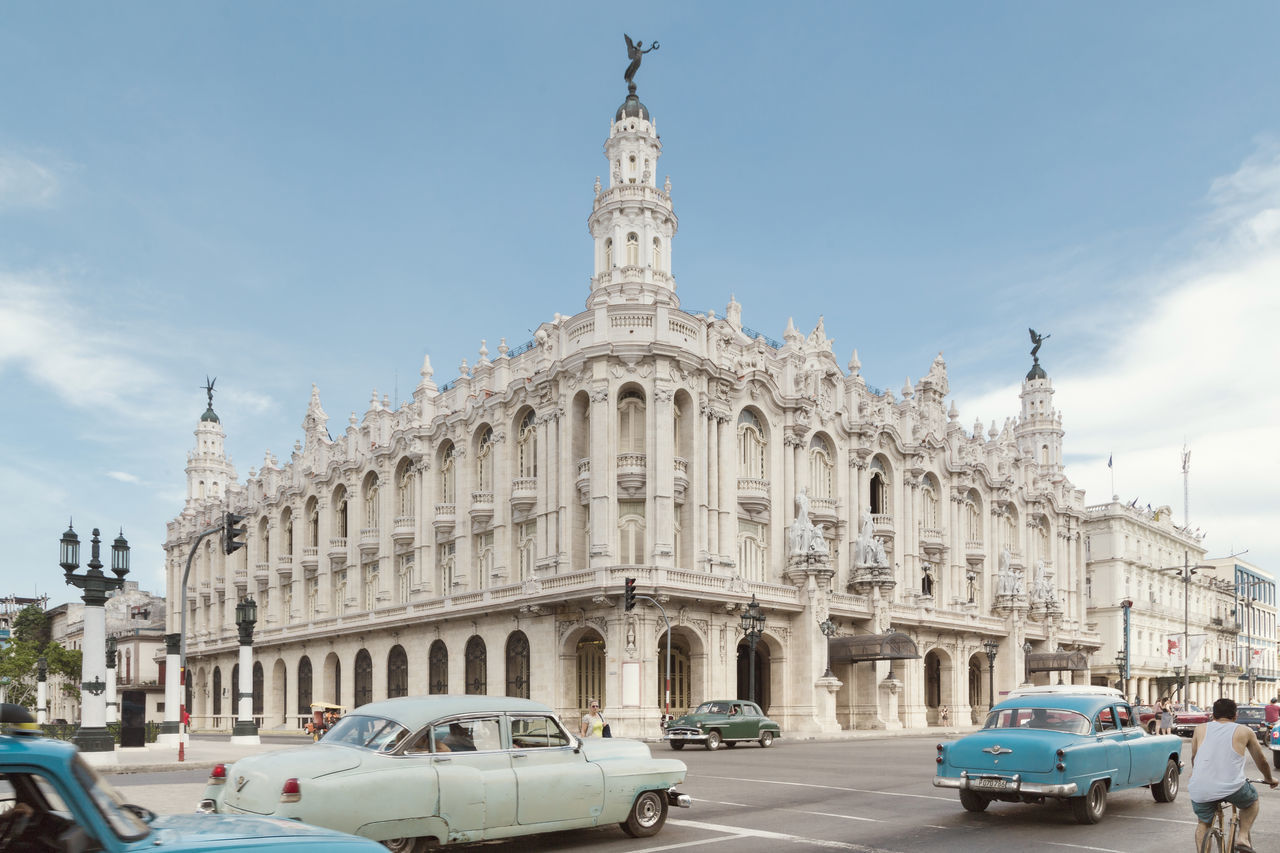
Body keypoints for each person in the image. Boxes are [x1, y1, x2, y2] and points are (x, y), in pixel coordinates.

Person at [1189, 697, 1278, 853]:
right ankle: (1242, 838)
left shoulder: (1200, 729)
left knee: (1203, 823)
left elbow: (1194, 758)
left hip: (1200, 787)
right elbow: (1261, 761)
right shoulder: (1245, 731)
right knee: (1252, 802)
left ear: (1213, 715)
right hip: (1233, 787)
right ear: (1235, 715)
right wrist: (1269, 779)